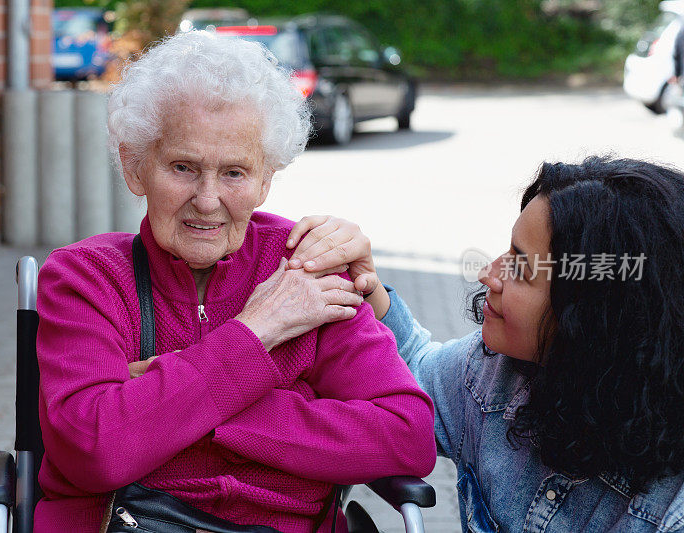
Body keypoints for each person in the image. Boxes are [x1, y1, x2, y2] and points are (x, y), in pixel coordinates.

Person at [33, 31, 436, 533]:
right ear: (136, 167)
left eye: (234, 173)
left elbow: (407, 437)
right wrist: (255, 333)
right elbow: (93, 450)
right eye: (183, 167)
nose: (207, 199)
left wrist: (169, 407)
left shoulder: (304, 266)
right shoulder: (86, 277)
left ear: (266, 178)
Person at [288, 156, 684, 532]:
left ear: (598, 314)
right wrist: (367, 286)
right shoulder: (497, 376)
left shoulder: (670, 510)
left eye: (522, 268)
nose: (488, 274)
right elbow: (414, 378)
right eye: (507, 251)